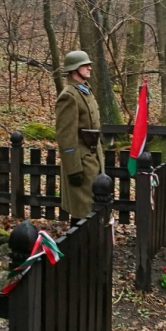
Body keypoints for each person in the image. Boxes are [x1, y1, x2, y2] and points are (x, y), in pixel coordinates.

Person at [55, 50, 104, 224]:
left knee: (93, 210)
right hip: (82, 163)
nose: (90, 68)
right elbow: (66, 136)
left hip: (93, 159)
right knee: (82, 212)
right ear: (75, 68)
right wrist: (74, 168)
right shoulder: (69, 96)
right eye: (85, 65)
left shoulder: (84, 91)